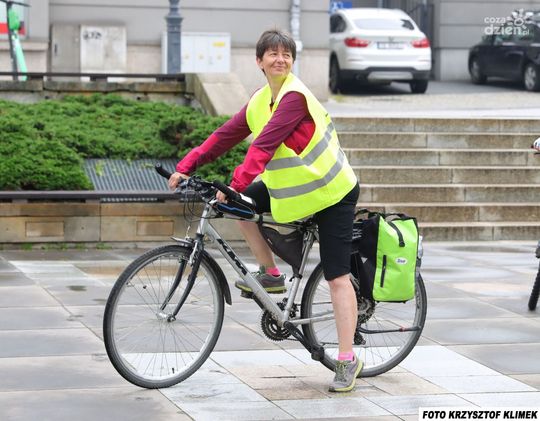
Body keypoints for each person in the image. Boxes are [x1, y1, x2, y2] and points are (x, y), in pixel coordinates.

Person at [168, 29, 362, 393]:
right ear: (259, 61)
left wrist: (236, 182)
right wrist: (187, 165)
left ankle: (346, 359)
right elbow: (224, 135)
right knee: (236, 205)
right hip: (297, 189)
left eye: (286, 54)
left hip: (332, 192)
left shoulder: (294, 98)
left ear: (292, 61)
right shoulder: (260, 100)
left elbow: (264, 146)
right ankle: (271, 273)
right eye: (272, 54)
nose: (280, 59)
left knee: (336, 276)